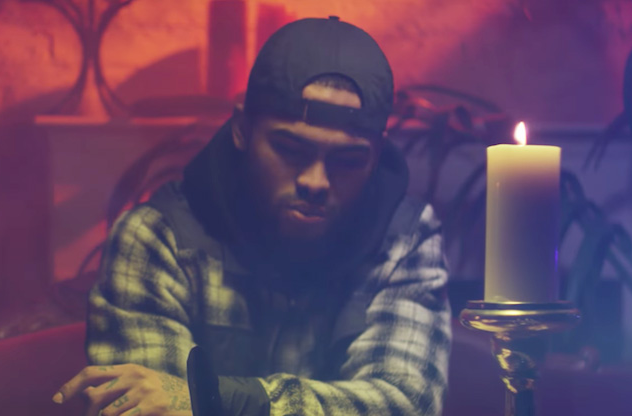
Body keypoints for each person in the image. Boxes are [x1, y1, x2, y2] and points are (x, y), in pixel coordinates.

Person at [53, 16, 451, 416]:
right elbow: (148, 410)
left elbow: (405, 404)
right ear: (242, 130)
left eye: (348, 160)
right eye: (289, 150)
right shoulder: (157, 237)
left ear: (376, 156)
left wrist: (219, 399)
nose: (316, 182)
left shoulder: (405, 239)